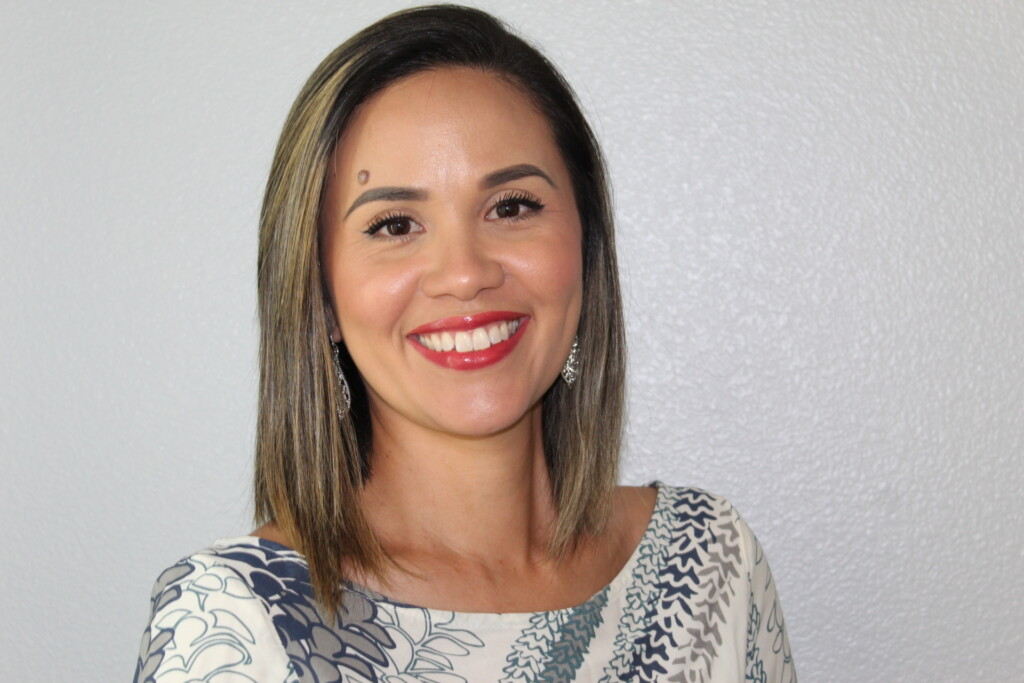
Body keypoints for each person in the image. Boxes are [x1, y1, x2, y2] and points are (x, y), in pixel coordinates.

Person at [134, 5, 795, 682]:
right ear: (322, 295)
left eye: (511, 207)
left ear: (586, 247)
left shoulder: (711, 563)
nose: (465, 273)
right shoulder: (231, 624)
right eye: (396, 225)